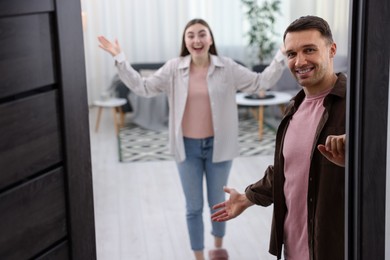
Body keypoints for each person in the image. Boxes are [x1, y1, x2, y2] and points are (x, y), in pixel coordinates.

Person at [98, 18, 285, 260]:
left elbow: (261, 82)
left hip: (219, 147)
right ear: (185, 41)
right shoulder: (174, 68)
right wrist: (120, 58)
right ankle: (198, 256)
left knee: (218, 203)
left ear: (210, 39)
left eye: (202, 34)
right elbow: (143, 87)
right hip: (187, 148)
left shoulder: (227, 67)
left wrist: (281, 55)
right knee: (193, 207)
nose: (196, 40)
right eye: (191, 35)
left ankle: (218, 248)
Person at [211, 15, 346, 260]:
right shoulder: (294, 107)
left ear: (332, 50)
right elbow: (287, 168)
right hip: (293, 249)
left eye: (309, 50)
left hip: (333, 249)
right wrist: (247, 197)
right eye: (292, 54)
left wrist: (357, 159)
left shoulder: (357, 106)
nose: (300, 61)